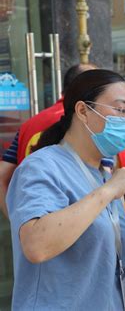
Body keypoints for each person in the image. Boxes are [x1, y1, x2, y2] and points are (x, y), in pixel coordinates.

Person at [6, 69, 125, 310]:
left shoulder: (102, 173)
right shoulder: (41, 167)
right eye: (121, 110)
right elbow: (37, 245)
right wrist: (109, 191)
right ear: (82, 111)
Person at [0, 63, 100, 219]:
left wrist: (16, 221)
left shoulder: (28, 125)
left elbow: (2, 175)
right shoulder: (86, 123)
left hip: (33, 219)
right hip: (78, 226)